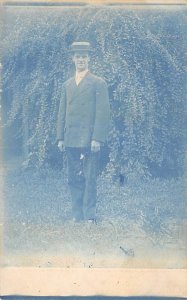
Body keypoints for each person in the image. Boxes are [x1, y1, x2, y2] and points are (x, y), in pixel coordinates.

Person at [57, 41, 110, 223]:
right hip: (71, 137)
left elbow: (103, 113)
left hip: (89, 139)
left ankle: (90, 215)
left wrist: (97, 138)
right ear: (73, 59)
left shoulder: (98, 83)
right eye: (78, 57)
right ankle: (77, 215)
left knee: (90, 177)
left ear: (89, 59)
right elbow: (62, 111)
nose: (81, 60)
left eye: (84, 57)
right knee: (73, 177)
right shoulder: (67, 84)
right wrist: (60, 137)